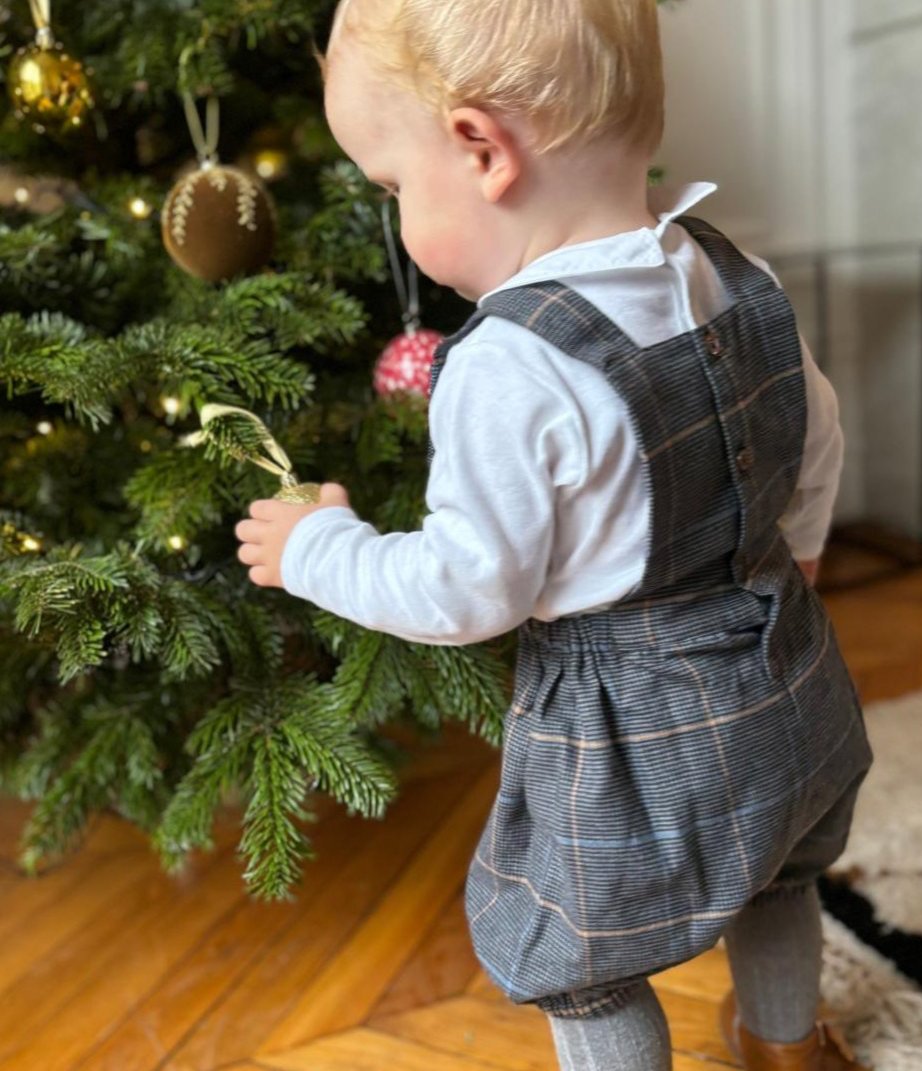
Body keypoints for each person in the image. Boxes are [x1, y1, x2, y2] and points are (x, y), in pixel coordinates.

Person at [234, 1, 875, 1068]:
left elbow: (464, 590)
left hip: (634, 731)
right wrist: (793, 559)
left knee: (582, 958)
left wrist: (316, 548)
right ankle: (789, 1044)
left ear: (483, 148)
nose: (398, 218)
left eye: (394, 186)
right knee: (780, 869)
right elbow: (819, 430)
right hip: (789, 674)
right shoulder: (729, 270)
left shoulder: (509, 363)